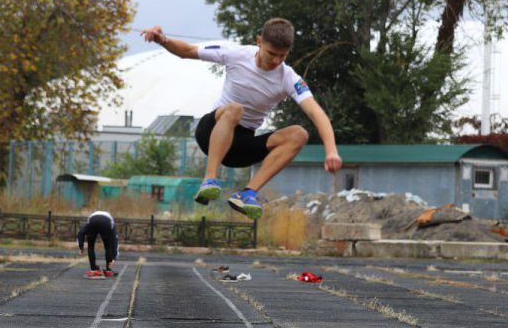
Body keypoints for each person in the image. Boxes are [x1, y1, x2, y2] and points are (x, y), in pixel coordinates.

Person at [140, 18, 341, 219]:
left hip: (241, 148)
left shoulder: (288, 78)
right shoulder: (235, 54)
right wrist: (163, 40)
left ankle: (247, 193)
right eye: (272, 53)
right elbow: (187, 51)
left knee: (299, 134)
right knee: (235, 110)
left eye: (282, 56)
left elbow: (316, 112)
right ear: (259, 42)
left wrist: (331, 150)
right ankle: (209, 179)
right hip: (212, 132)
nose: (276, 61)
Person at [77, 210, 119, 279]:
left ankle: (93, 269)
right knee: (108, 245)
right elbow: (115, 239)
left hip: (93, 222)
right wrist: (114, 257)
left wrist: (81, 246)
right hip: (106, 223)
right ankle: (108, 269)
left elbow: (81, 232)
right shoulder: (110, 219)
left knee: (90, 246)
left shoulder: (91, 218)